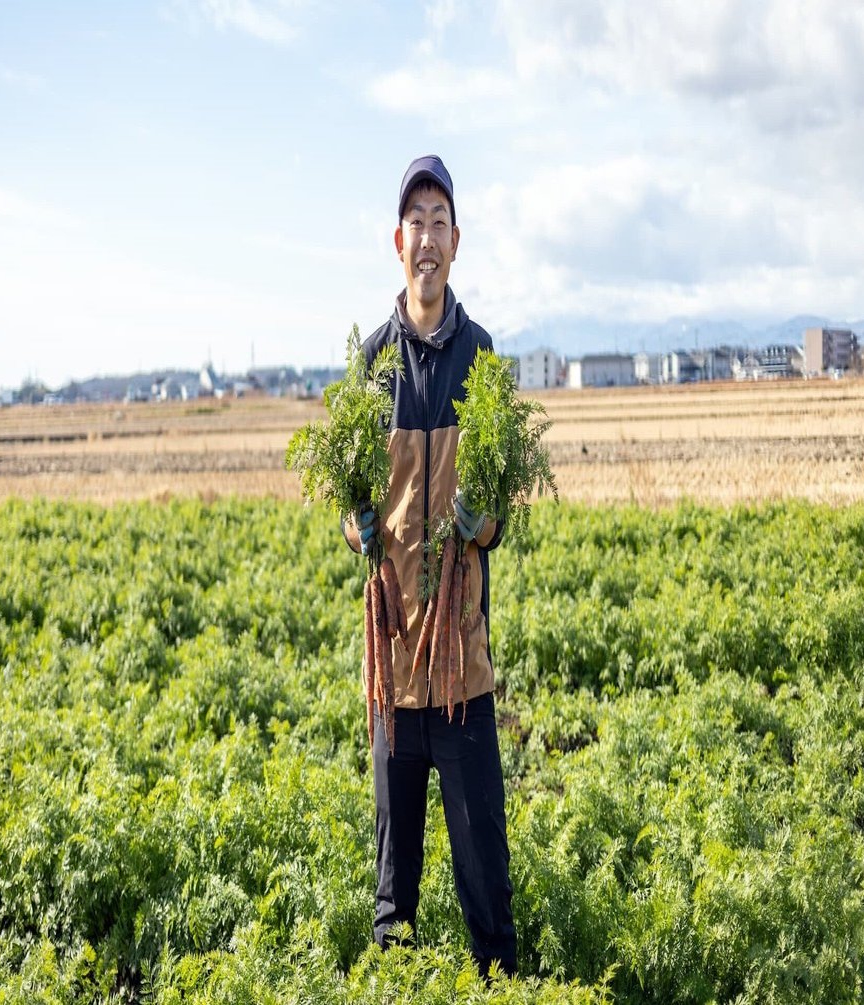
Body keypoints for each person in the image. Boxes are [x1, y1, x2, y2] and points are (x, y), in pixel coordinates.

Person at [342, 154, 517, 979]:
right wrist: (353, 525)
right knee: (392, 905)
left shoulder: (481, 357)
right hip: (392, 677)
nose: (427, 235)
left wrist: (486, 525)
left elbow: (499, 512)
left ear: (456, 241)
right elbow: (349, 507)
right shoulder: (370, 363)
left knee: (488, 895)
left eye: (439, 219)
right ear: (397, 240)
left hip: (461, 674)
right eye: (415, 219)